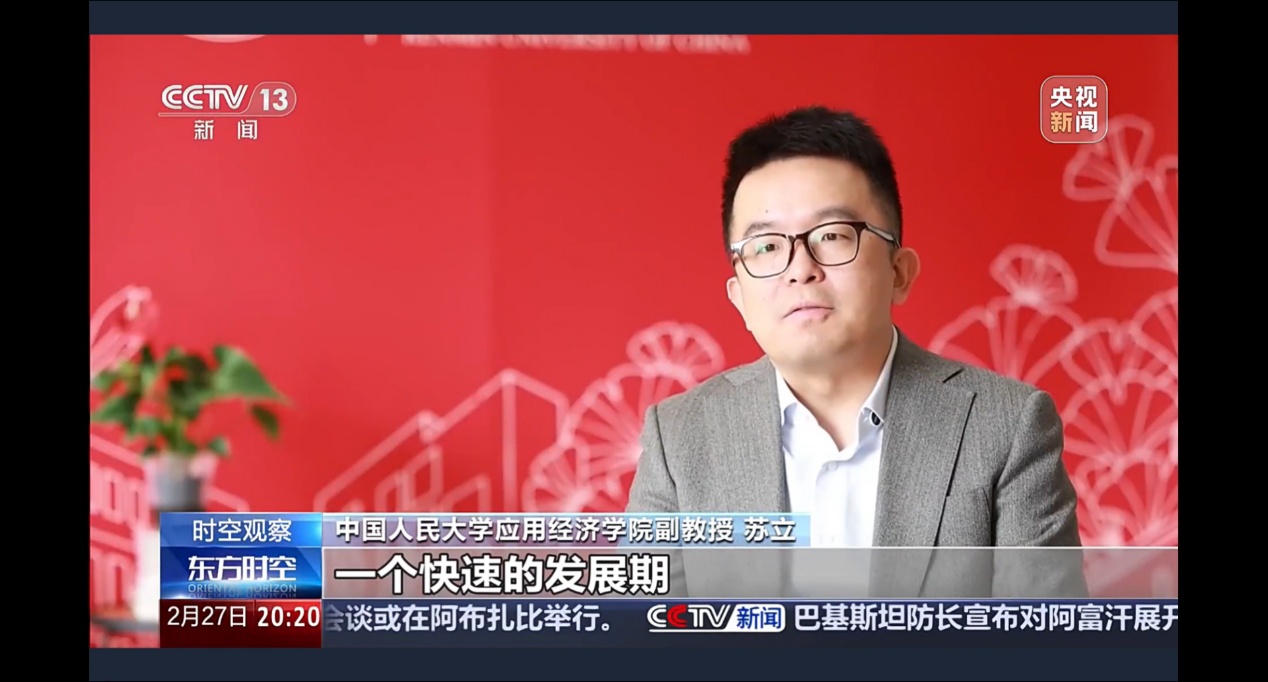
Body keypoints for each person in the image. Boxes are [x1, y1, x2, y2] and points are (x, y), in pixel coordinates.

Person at [625, 105, 1085, 598]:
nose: (800, 269)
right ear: (739, 298)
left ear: (899, 272)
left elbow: (1046, 631)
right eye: (767, 247)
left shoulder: (1007, 427)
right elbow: (640, 627)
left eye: (831, 236)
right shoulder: (681, 438)